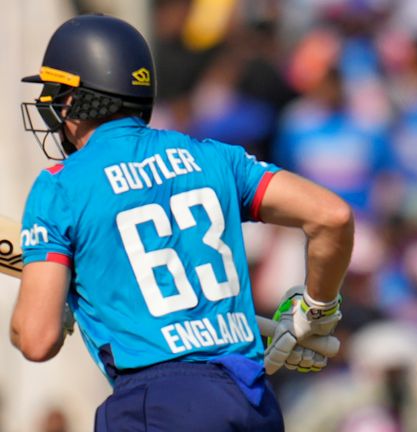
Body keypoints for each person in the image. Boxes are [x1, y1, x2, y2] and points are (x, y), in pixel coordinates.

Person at [11, 14, 354, 431]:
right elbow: (332, 216)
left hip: (156, 405)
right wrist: (316, 310)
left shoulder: (60, 187)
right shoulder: (214, 155)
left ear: (74, 101)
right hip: (250, 400)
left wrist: (47, 300)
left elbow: (35, 338)